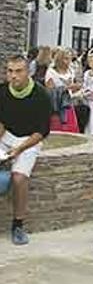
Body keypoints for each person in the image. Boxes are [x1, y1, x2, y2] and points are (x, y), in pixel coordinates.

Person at [0, 54, 53, 245]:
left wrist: (19, 149)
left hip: (30, 139)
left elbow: (42, 131)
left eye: (18, 71)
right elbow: (2, 122)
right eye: (10, 71)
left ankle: (18, 225)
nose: (13, 76)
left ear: (28, 72)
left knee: (19, 178)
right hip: (7, 137)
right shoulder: (3, 91)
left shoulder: (41, 95)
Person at [45, 48, 81, 133]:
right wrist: (66, 88)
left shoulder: (71, 71)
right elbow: (50, 91)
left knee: (70, 130)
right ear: (60, 59)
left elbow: (73, 88)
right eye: (66, 58)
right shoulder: (51, 72)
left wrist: (76, 88)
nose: (68, 61)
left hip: (68, 104)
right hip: (56, 106)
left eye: (70, 58)